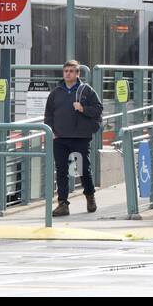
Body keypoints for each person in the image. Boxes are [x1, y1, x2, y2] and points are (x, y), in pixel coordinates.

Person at [43, 60, 103, 217]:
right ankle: (63, 204)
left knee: (84, 170)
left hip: (81, 138)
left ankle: (90, 196)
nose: (68, 73)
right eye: (65, 71)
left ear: (78, 74)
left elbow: (98, 109)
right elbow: (48, 114)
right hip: (60, 138)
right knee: (61, 171)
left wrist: (83, 109)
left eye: (71, 71)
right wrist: (52, 131)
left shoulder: (86, 91)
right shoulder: (55, 93)